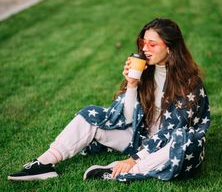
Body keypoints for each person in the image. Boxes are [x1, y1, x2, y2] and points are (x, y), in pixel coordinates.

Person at [8, 18, 211, 182]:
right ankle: (44, 163)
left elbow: (171, 131)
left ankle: (120, 171)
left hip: (165, 144)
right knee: (90, 115)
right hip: (139, 137)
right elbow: (125, 118)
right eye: (143, 43)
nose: (145, 49)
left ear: (170, 48)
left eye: (152, 44)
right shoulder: (144, 72)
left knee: (186, 142)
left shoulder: (189, 83)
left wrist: (132, 160)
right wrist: (132, 84)